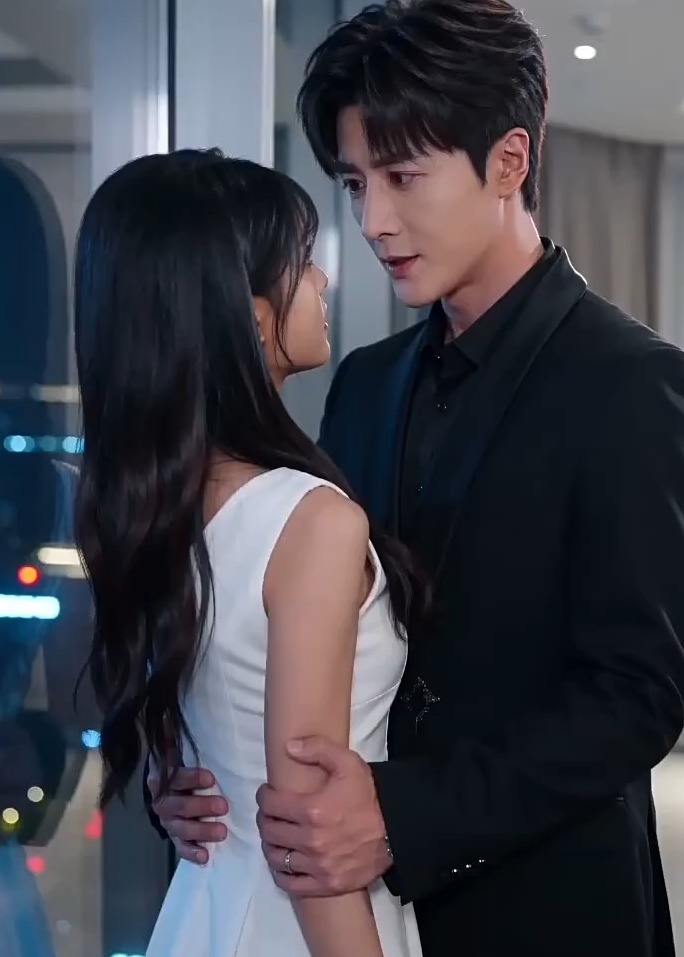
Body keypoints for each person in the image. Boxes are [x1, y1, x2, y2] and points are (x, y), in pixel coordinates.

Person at [149, 2, 684, 955]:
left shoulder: (634, 383)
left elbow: (640, 694)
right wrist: (196, 777)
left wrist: (406, 812)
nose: (372, 221)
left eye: (402, 177)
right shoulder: (364, 382)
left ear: (509, 162)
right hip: (361, 912)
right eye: (355, 183)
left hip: (552, 906)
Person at [73, 150, 426, 957]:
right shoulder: (310, 520)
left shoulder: (160, 505)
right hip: (301, 928)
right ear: (251, 313)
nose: (323, 280)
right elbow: (305, 833)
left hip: (206, 908)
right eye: (302, 261)